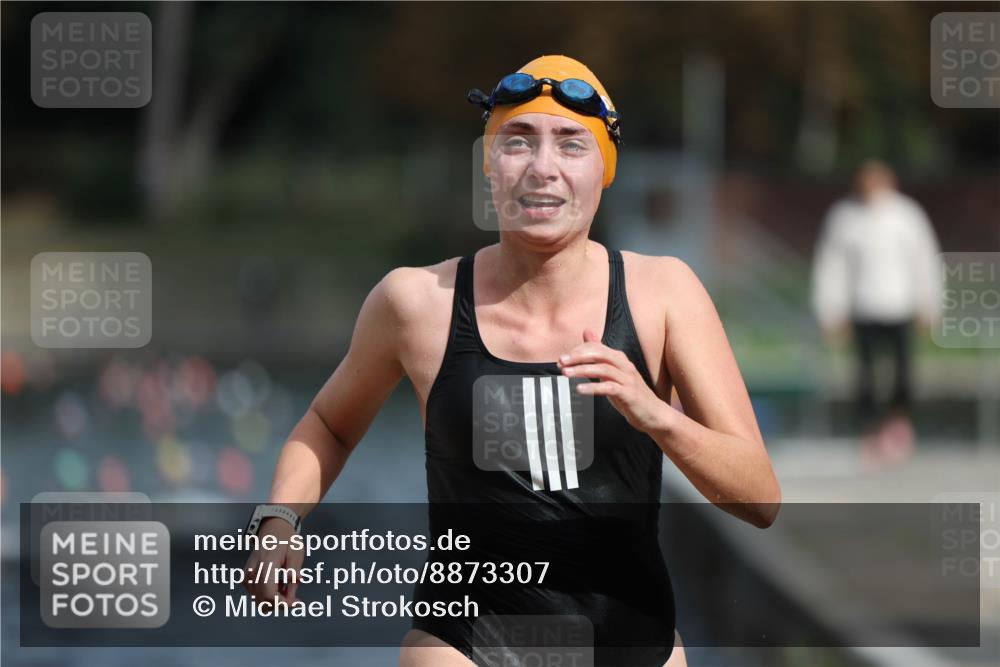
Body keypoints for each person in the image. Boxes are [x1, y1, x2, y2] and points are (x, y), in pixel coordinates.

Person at [244, 55, 780, 667]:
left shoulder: (663, 296)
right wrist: (279, 519)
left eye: (571, 145)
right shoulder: (417, 304)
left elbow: (760, 499)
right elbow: (330, 425)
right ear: (489, 168)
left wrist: (656, 414)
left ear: (604, 170)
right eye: (517, 143)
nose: (542, 169)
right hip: (465, 645)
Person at [811, 159, 942, 466]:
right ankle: (870, 431)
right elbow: (831, 267)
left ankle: (898, 425)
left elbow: (924, 260)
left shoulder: (907, 216)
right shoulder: (844, 217)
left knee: (903, 371)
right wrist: (830, 310)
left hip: (900, 306)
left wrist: (930, 303)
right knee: (866, 374)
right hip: (864, 306)